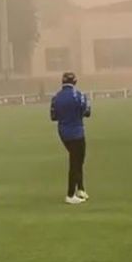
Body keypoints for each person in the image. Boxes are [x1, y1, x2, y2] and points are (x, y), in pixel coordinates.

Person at [50, 71, 91, 205]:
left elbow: (53, 117)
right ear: (75, 82)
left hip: (63, 133)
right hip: (77, 132)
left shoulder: (56, 97)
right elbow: (87, 112)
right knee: (76, 162)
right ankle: (70, 194)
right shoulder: (79, 95)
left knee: (76, 160)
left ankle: (80, 189)